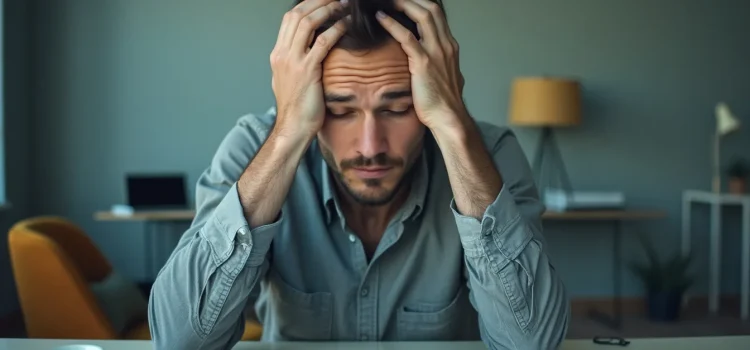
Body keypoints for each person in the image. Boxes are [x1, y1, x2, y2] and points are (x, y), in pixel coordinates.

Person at [148, 0, 570, 348]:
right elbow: (179, 341)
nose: (370, 146)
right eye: (339, 110)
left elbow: (532, 343)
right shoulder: (255, 147)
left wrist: (453, 124)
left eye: (397, 108)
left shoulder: (489, 155)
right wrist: (290, 132)